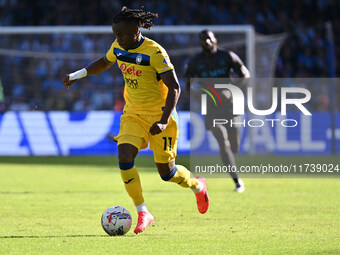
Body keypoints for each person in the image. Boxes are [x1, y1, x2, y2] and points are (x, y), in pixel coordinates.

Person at [63, 6, 209, 234]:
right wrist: (78, 74)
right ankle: (143, 211)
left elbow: (175, 87)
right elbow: (104, 61)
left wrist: (163, 119)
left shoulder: (155, 52)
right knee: (124, 155)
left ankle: (198, 186)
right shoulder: (119, 46)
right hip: (133, 114)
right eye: (115, 35)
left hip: (161, 116)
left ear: (135, 31)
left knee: (167, 173)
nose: (117, 39)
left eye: (121, 35)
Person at [185, 29, 250, 193]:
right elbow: (187, 84)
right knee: (223, 142)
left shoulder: (227, 56)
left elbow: (245, 74)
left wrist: (231, 90)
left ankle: (232, 157)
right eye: (202, 39)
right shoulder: (195, 62)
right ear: (200, 43)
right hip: (211, 106)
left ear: (215, 40)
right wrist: (195, 95)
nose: (206, 42)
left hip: (230, 105)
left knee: (234, 146)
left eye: (209, 38)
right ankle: (237, 182)